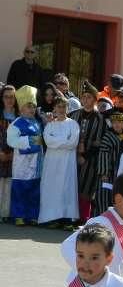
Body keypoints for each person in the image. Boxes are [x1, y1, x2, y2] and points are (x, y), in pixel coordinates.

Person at [38, 95, 79, 227]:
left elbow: (73, 142)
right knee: (52, 188)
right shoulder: (50, 125)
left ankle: (66, 218)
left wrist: (57, 141)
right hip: (52, 164)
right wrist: (64, 140)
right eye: (59, 106)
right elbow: (48, 142)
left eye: (64, 106)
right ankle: (51, 218)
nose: (61, 109)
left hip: (67, 163)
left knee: (66, 188)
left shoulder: (73, 124)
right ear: (54, 108)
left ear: (67, 108)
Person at [70, 80, 106, 223]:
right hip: (72, 156)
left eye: (89, 97)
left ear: (95, 99)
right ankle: (69, 216)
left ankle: (83, 217)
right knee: (72, 185)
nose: (86, 100)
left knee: (86, 187)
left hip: (90, 159)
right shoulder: (74, 115)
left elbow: (99, 142)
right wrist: (77, 154)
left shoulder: (100, 119)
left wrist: (84, 156)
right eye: (83, 97)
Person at [7, 85, 43, 226]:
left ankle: (32, 215)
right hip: (22, 162)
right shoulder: (16, 123)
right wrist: (30, 141)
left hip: (35, 162)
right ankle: (19, 215)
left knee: (34, 189)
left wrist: (37, 144)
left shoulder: (36, 123)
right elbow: (11, 141)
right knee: (20, 189)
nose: (32, 109)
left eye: (33, 106)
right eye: (29, 106)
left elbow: (40, 140)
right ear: (21, 108)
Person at [96, 111, 123, 215]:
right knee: (104, 198)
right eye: (114, 122)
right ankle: (102, 221)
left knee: (117, 199)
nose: (117, 124)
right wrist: (104, 172)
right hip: (108, 175)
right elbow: (103, 154)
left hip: (120, 174)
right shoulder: (107, 137)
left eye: (120, 122)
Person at [0, 84, 18, 221]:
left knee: (10, 185)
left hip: (15, 156)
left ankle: (6, 214)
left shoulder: (19, 116)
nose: (9, 100)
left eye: (12, 97)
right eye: (6, 97)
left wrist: (14, 153)